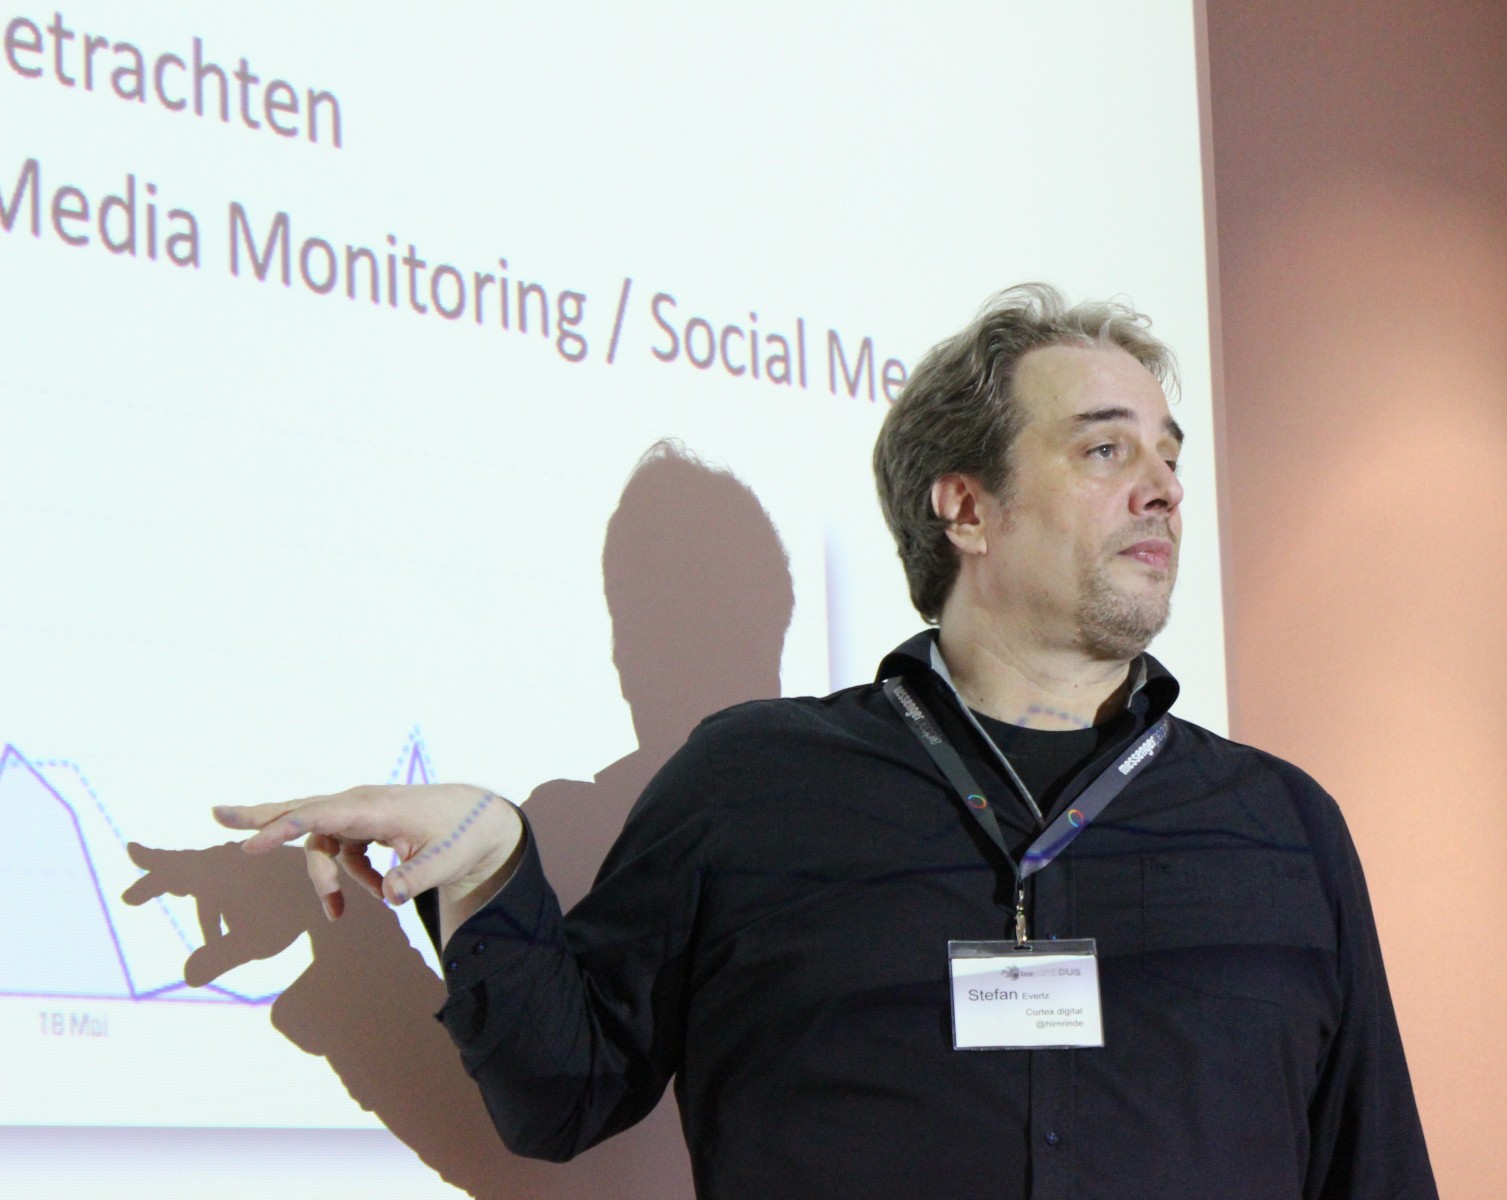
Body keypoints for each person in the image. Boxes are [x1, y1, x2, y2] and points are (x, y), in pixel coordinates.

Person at [216, 284, 1437, 1199]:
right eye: (1106, 448)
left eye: (1169, 455)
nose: (1162, 485)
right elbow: (564, 1095)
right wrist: (490, 867)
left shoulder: (1282, 829)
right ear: (965, 507)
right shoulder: (750, 787)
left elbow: (1372, 1171)